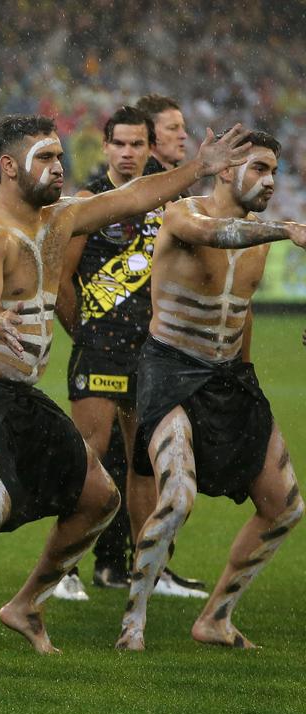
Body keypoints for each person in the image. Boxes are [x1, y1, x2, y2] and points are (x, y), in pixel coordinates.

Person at [0, 115, 249, 658]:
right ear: (9, 167)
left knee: (99, 497)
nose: (58, 167)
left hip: (16, 396)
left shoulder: (61, 218)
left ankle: (26, 605)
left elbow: (135, 197)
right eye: (45, 158)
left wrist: (200, 168)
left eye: (59, 157)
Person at [117, 130, 306, 651]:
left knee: (285, 508)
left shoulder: (256, 237)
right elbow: (214, 233)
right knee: (177, 496)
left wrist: (248, 382)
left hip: (230, 378)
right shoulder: (182, 215)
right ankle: (133, 622)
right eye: (259, 169)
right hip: (171, 370)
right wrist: (285, 230)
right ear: (226, 170)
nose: (270, 181)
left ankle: (215, 618)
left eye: (275, 172)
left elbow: (240, 314)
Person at [55, 105, 205, 599]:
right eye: (118, 143)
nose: (127, 152)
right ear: (105, 147)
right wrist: (85, 330)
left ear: (149, 148)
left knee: (143, 468)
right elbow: (61, 279)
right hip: (99, 350)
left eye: (136, 144)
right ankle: (65, 573)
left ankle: (149, 573)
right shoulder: (88, 201)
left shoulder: (170, 202)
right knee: (88, 459)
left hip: (150, 354)